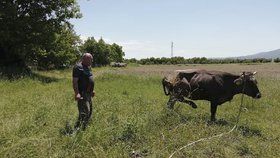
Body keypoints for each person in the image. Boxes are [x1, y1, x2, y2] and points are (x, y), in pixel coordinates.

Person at [72, 53, 95, 131]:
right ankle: (79, 128)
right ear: (84, 59)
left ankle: (84, 126)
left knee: (90, 111)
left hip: (89, 93)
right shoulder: (78, 67)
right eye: (90, 59)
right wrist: (77, 93)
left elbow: (89, 79)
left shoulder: (88, 67)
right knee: (84, 112)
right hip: (82, 93)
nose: (92, 61)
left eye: (92, 59)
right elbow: (75, 81)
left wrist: (92, 90)